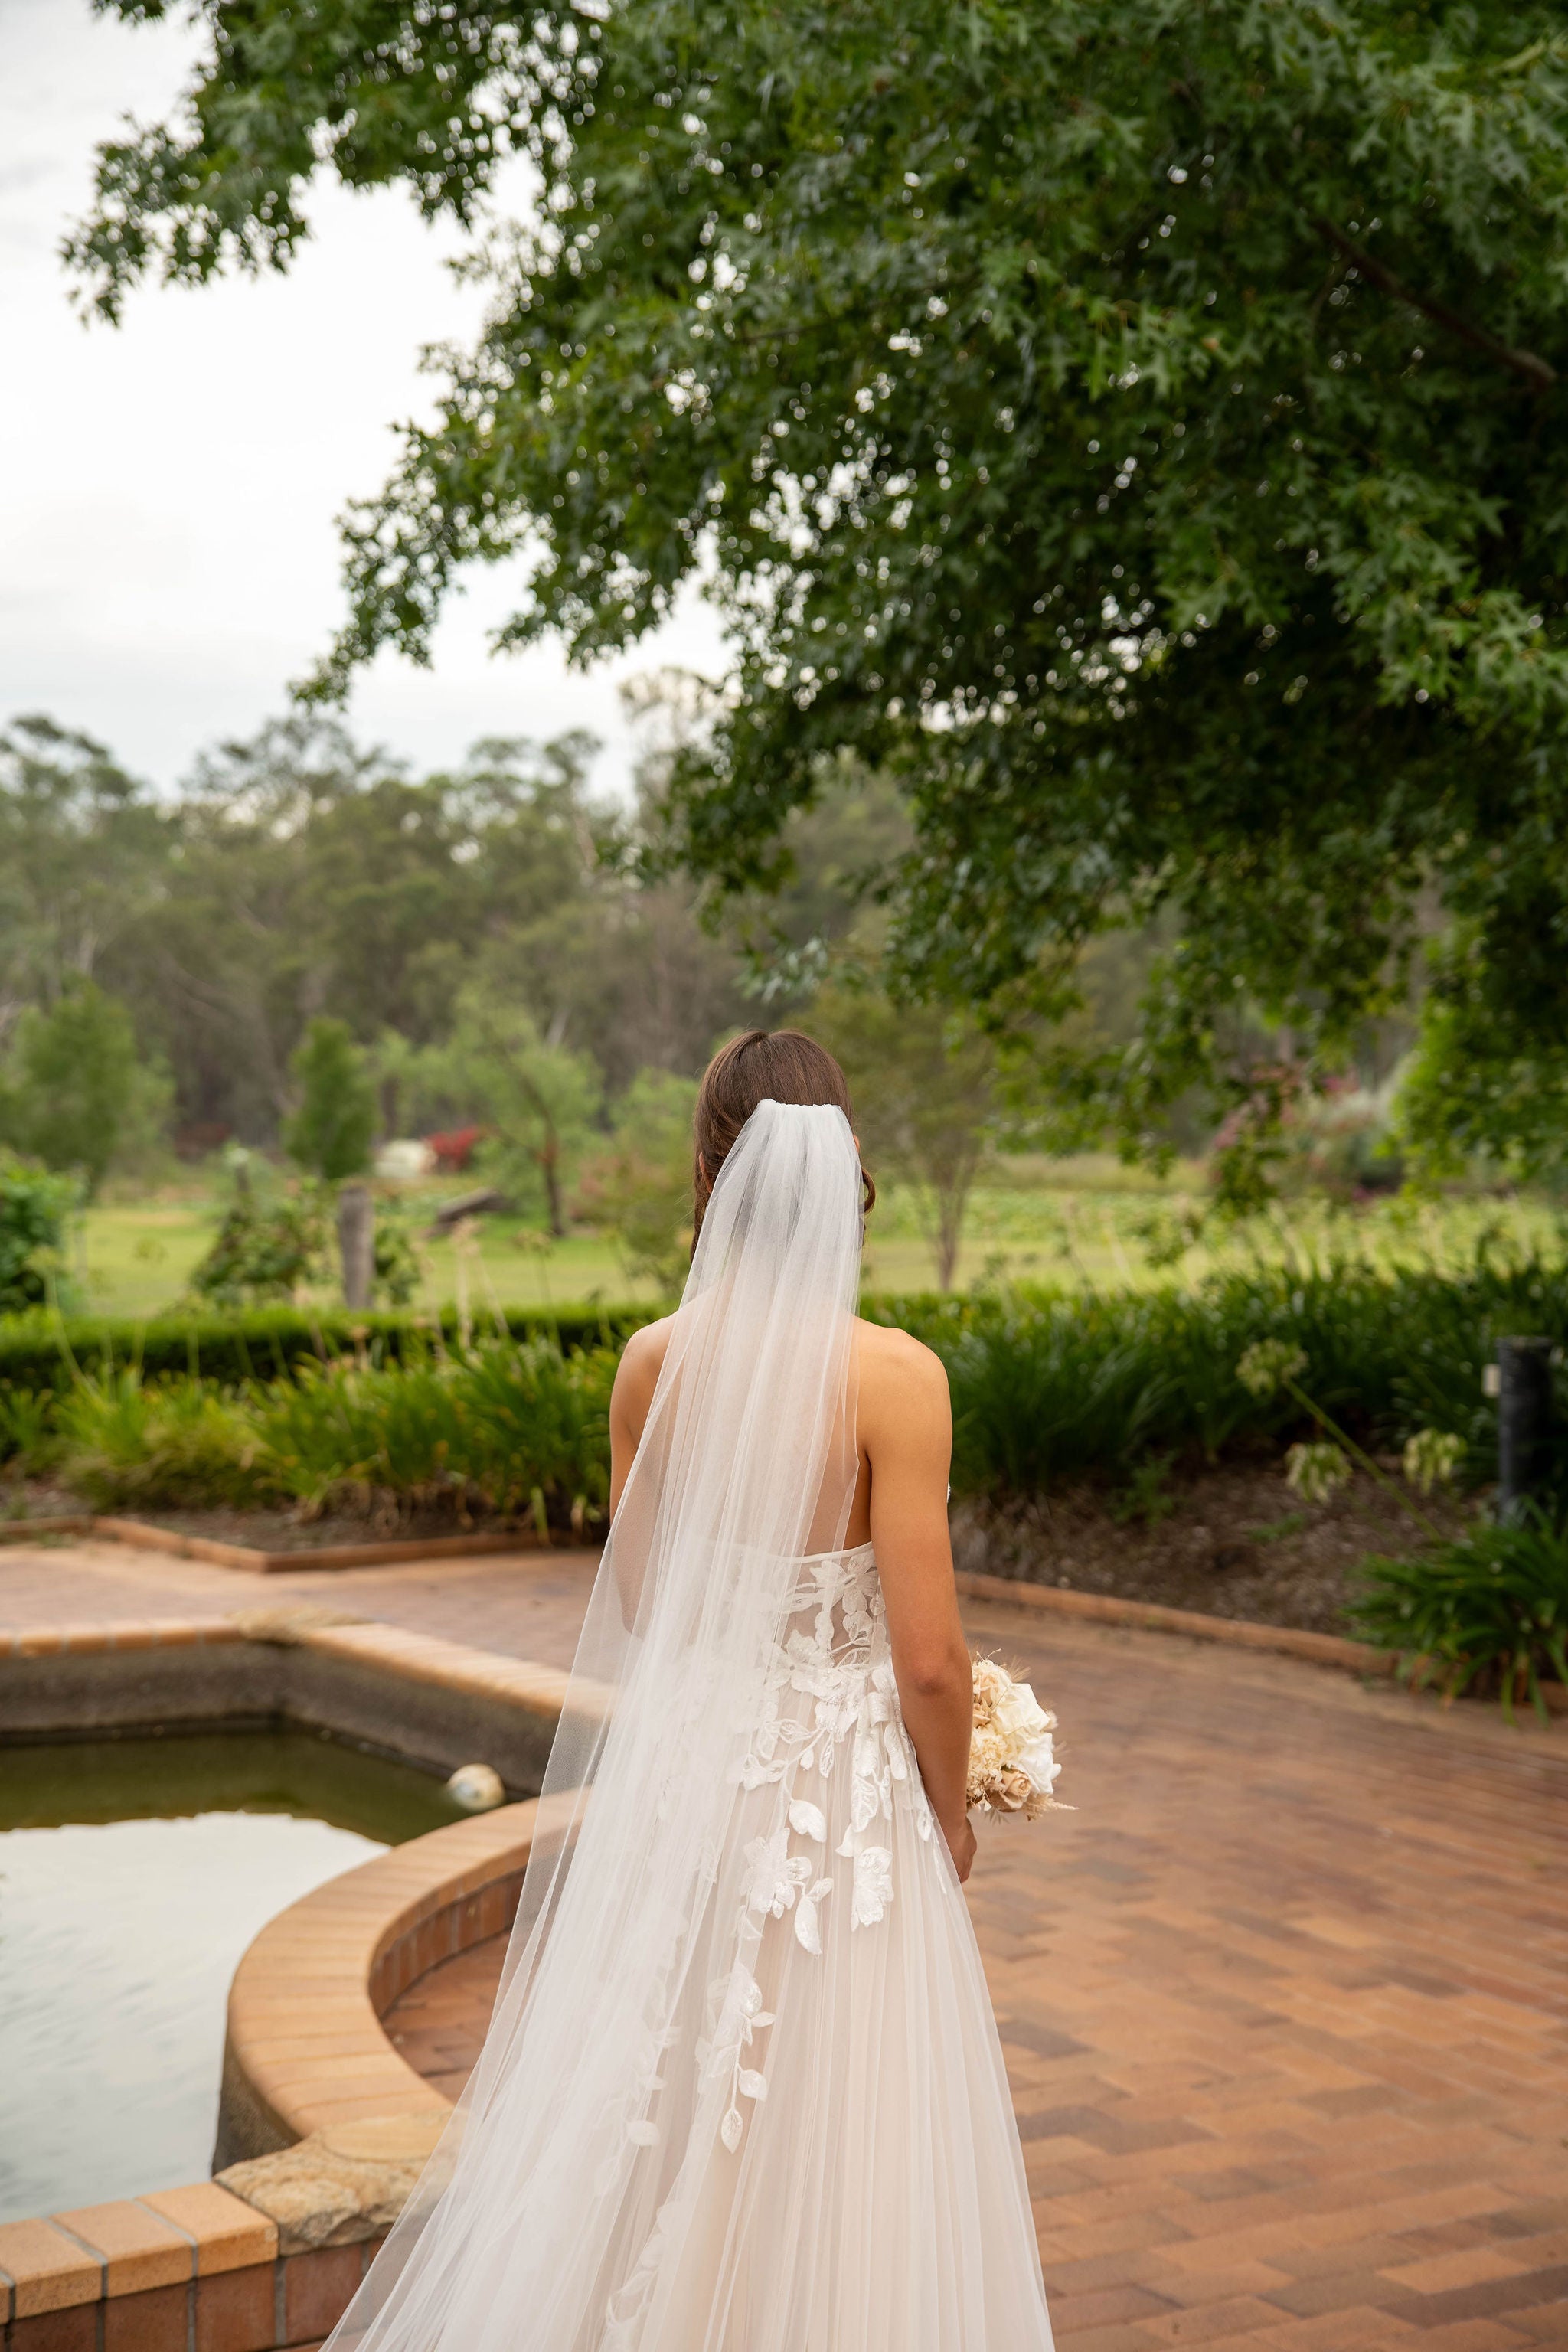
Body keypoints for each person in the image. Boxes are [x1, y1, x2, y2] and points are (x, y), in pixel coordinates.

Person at [324, 1029, 1054, 2352]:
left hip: (701, 1778)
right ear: (846, 1172)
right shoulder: (898, 1377)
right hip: (844, 1804)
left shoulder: (654, 1361)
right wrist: (949, 1809)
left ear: (711, 1168)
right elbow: (932, 1661)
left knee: (667, 2090)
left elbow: (652, 1609)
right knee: (842, 2106)